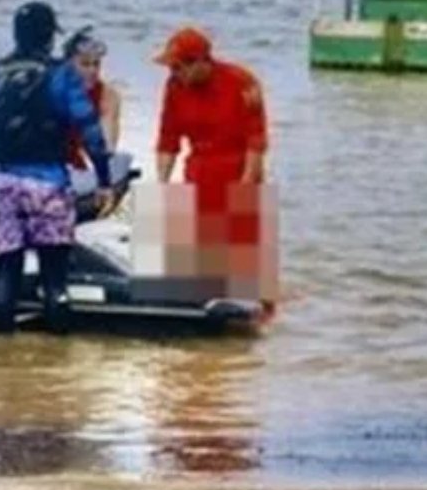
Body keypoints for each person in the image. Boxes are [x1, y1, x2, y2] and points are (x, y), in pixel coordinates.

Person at [0, 1, 113, 336]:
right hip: (50, 185)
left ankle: (1, 359)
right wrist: (104, 179)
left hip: (4, 184)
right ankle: (56, 363)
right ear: (49, 38)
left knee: (5, 276)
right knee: (55, 281)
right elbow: (90, 130)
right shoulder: (61, 76)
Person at [152, 26, 275, 313]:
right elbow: (168, 138)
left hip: (237, 167)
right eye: (171, 67)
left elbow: (256, 140)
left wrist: (247, 184)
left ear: (201, 62)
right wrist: (162, 184)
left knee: (244, 262)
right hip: (199, 168)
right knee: (197, 256)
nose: (174, 73)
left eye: (179, 67)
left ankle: (258, 313)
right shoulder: (174, 87)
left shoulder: (242, 83)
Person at [63, 26, 122, 170]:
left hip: (74, 161)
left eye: (96, 64)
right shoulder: (52, 88)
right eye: (85, 64)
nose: (93, 71)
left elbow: (107, 144)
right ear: (68, 65)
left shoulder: (108, 95)